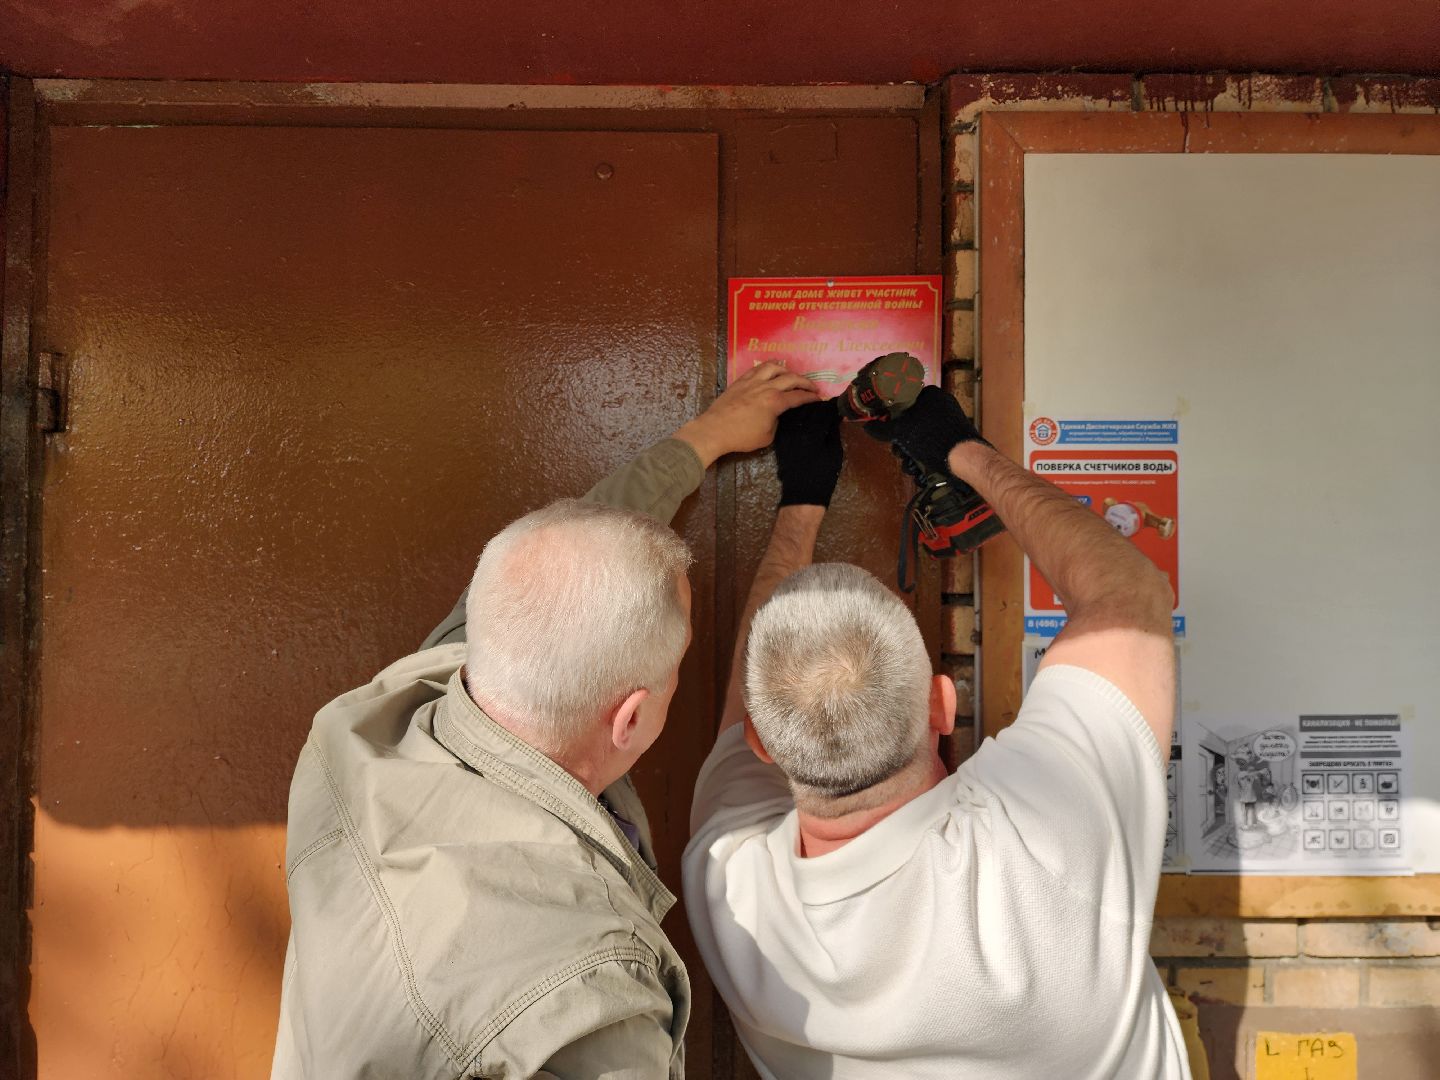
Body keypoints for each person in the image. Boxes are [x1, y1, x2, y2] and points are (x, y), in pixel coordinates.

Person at [271, 361, 817, 1080]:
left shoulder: (368, 725)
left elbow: (555, 566)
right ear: (630, 717)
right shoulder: (591, 999)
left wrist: (705, 438)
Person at [683, 389, 1190, 1079]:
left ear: (763, 745)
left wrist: (803, 497)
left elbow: (745, 714)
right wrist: (961, 450)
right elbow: (1127, 598)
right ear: (942, 708)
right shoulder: (1044, 839)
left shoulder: (727, 885)